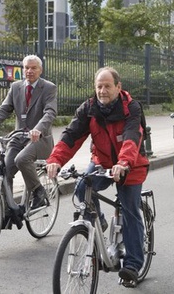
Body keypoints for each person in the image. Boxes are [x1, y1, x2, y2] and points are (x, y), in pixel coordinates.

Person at [46, 67, 149, 287]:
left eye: (107, 86)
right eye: (99, 86)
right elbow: (71, 136)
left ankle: (132, 264)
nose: (102, 91)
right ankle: (98, 223)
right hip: (102, 162)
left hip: (130, 165)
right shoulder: (89, 108)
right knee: (83, 189)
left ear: (118, 87)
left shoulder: (131, 108)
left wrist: (123, 163)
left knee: (130, 210)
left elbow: (132, 137)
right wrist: (55, 160)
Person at [0, 54, 57, 216]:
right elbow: (4, 108)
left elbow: (50, 112)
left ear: (40, 70)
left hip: (39, 139)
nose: (29, 71)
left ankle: (38, 192)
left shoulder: (49, 88)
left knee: (21, 159)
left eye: (33, 68)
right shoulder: (16, 87)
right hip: (18, 137)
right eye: (26, 67)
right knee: (5, 169)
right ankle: (8, 210)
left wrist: (38, 128)